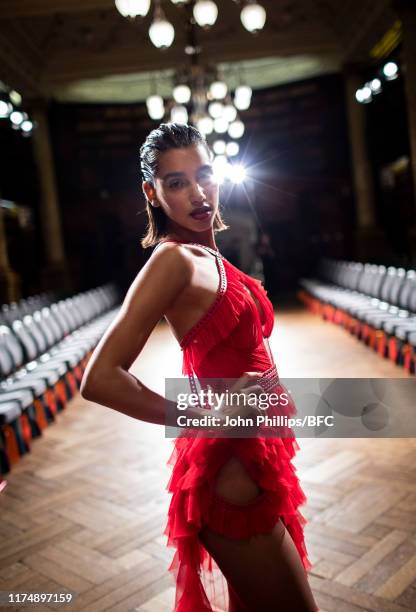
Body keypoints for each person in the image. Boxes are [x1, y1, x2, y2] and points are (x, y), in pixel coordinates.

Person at [80, 123, 319, 612]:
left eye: (204, 174)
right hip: (227, 476)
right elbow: (99, 379)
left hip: (257, 456)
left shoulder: (207, 254)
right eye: (176, 182)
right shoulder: (173, 262)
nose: (197, 191)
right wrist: (202, 418)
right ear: (152, 192)